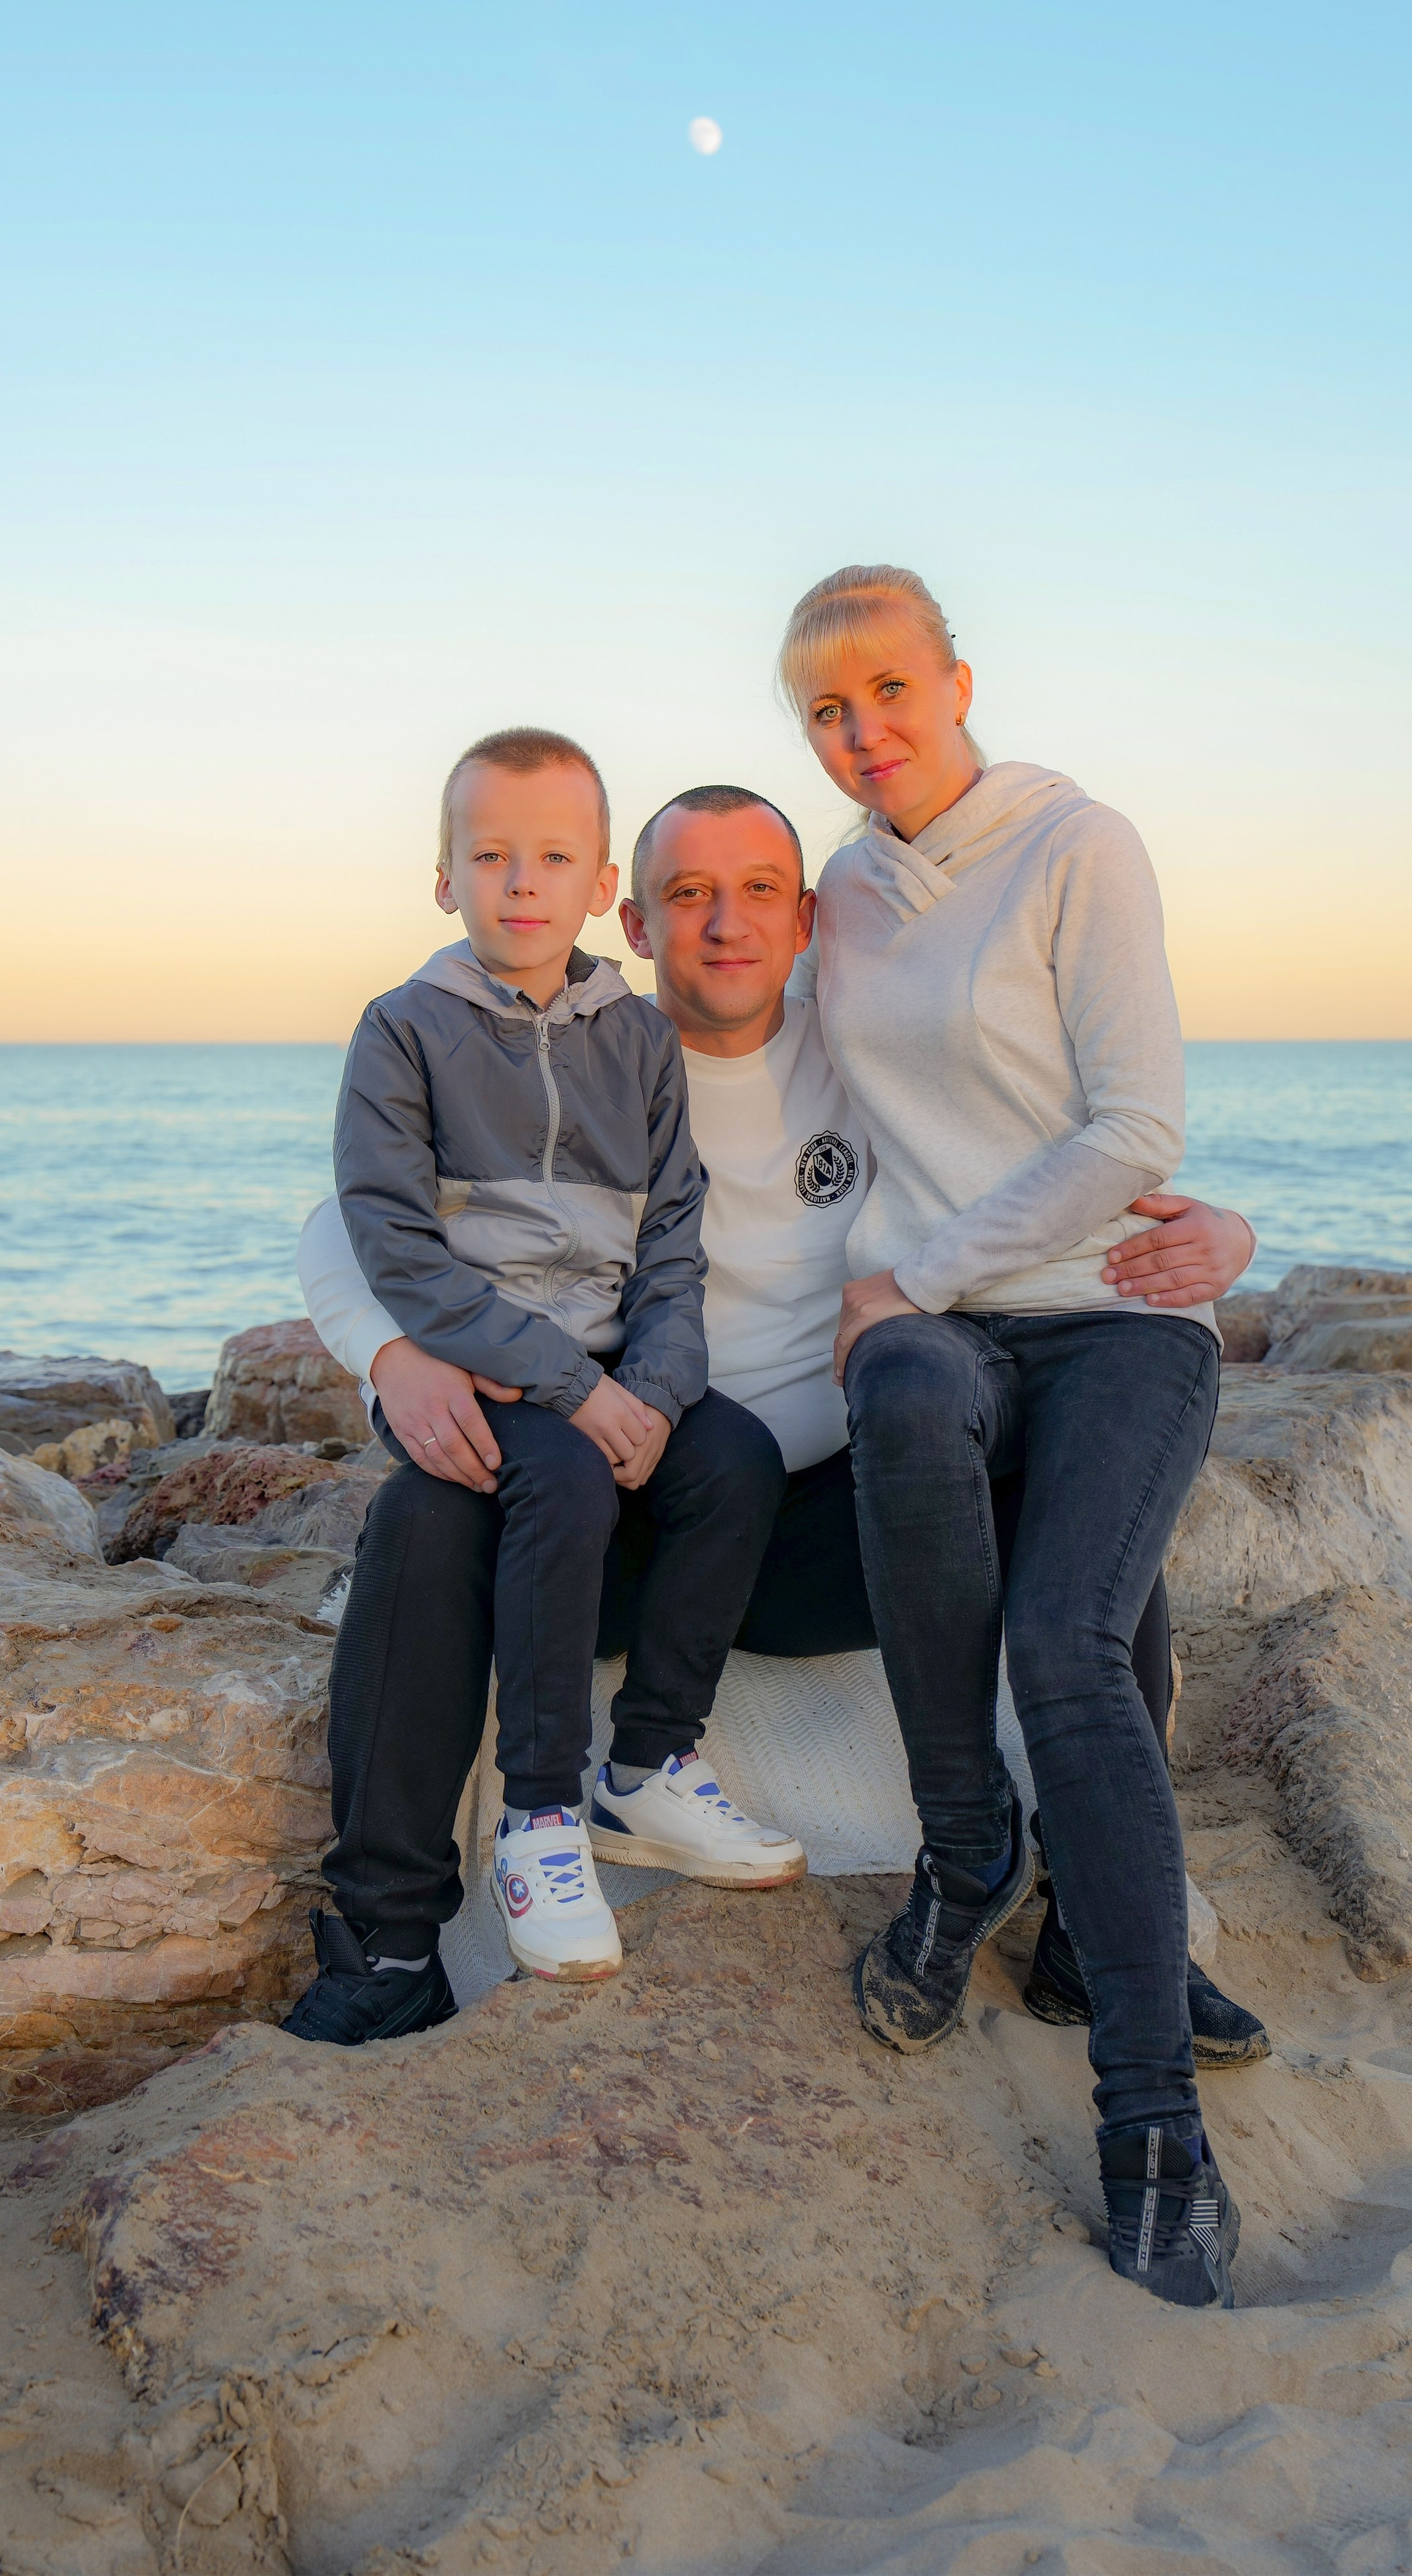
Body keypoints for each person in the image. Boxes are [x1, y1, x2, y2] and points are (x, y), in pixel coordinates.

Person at [296, 775, 1266, 2069]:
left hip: (826, 1522)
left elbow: (1046, 1167)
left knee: (1068, 1500)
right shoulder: (586, 1056)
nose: (724, 924)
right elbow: (343, 1218)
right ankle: (388, 1950)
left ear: (806, 918)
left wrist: (1232, 1231)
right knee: (421, 1512)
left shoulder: (864, 1051)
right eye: (687, 894)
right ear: (632, 923)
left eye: (759, 891)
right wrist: (390, 1358)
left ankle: (1092, 1937)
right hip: (637, 1518)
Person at [785, 562, 1243, 2309]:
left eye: (887, 692)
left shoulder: (1079, 844)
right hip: (947, 1340)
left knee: (1067, 1638)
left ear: (956, 679)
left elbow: (1136, 1122)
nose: (861, 734)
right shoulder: (843, 891)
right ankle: (965, 1842)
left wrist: (914, 1269)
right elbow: (768, 1080)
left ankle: (1149, 2120)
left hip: (1117, 1321)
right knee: (894, 1393)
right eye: (825, 711)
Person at [290, 724, 804, 2038]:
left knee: (732, 1456)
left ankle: (651, 1765)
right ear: (445, 876)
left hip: (627, 1390)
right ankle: (528, 1829)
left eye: (554, 858)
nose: (523, 882)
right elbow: (382, 1236)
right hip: (501, 1384)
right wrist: (549, 1390)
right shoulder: (404, 1029)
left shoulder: (637, 1040)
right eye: (492, 856)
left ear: (595, 894)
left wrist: (664, 1392)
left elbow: (674, 1242)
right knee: (464, 1508)